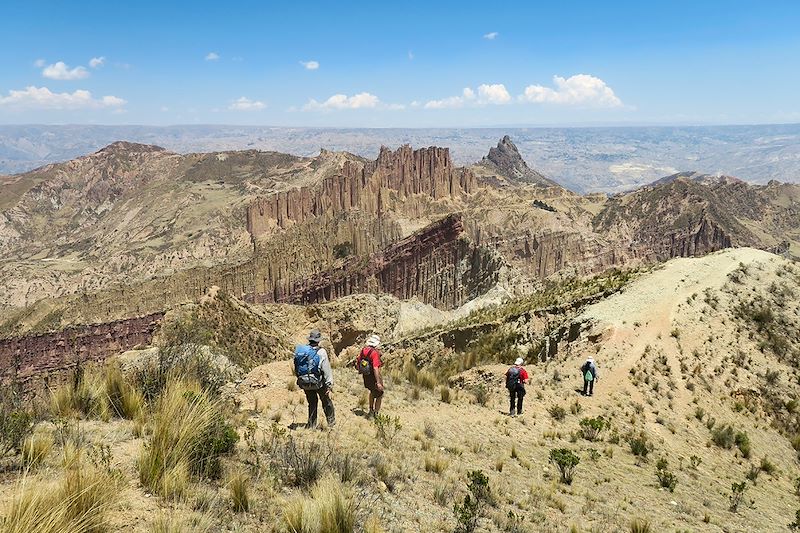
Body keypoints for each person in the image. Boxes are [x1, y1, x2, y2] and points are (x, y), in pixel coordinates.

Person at [294, 329, 335, 429]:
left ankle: (311, 425)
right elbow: (326, 369)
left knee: (312, 402)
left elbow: (296, 366)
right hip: (319, 381)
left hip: (305, 381)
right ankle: (331, 423)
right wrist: (329, 384)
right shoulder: (321, 352)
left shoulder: (303, 351)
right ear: (318, 340)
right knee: (326, 401)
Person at [356, 334, 384, 419]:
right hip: (373, 376)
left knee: (372, 391)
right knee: (380, 394)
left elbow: (358, 360)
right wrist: (378, 382)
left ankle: (371, 410)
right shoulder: (374, 353)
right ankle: (375, 414)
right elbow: (375, 368)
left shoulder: (363, 350)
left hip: (366, 375)